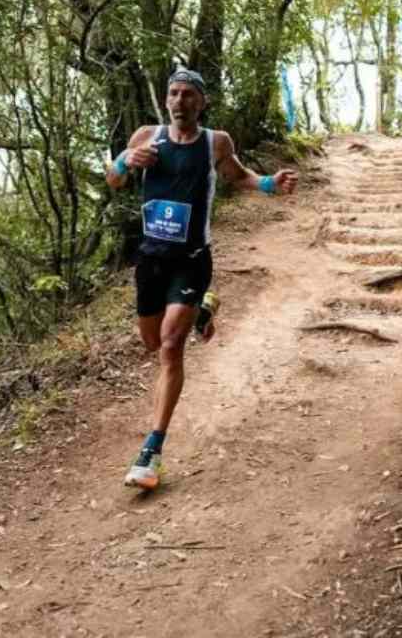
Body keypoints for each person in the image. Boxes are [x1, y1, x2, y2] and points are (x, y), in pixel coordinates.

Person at [106, 69, 298, 490]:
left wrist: (269, 183)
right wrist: (125, 160)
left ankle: (151, 452)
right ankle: (203, 310)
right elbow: (114, 179)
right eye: (173, 93)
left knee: (171, 349)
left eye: (189, 95)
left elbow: (238, 176)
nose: (180, 101)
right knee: (153, 342)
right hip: (151, 260)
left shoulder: (216, 142)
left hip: (192, 259)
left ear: (201, 102)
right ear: (166, 99)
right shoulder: (145, 136)